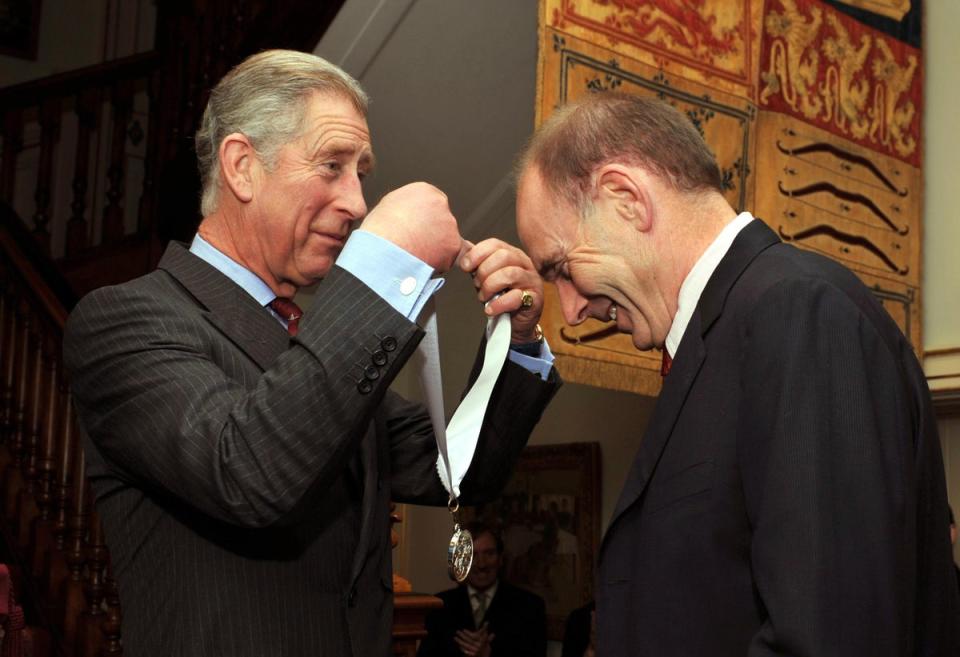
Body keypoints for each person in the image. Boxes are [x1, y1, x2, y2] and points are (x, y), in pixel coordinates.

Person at [63, 50, 560, 657]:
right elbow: (247, 471)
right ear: (243, 167)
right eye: (332, 165)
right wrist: (381, 268)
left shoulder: (312, 336)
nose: (356, 202)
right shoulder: (127, 320)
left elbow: (459, 470)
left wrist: (522, 338)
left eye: (361, 173)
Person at [514, 92, 959, 656]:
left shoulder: (797, 312)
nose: (571, 309)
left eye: (561, 268)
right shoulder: (725, 333)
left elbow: (828, 636)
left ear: (625, 198)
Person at [418, 523, 547, 657]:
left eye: (489, 553)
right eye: (472, 555)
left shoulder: (530, 607)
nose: (481, 564)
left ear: (501, 558)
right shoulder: (440, 605)